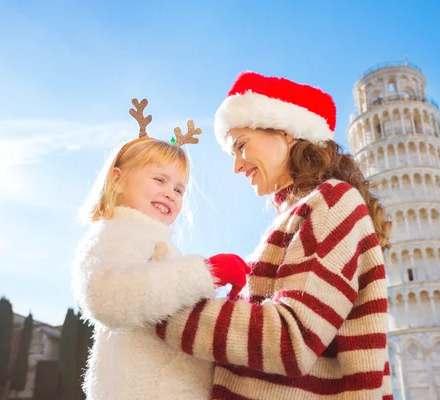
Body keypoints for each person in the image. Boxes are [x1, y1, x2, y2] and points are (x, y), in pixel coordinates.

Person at [155, 72, 394, 399]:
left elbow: (291, 338)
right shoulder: (300, 215)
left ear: (285, 131)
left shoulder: (332, 201)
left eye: (241, 146)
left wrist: (160, 308)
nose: (237, 167)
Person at [71, 98, 249, 400]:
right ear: (117, 179)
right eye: (159, 179)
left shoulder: (163, 250)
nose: (170, 193)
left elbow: (175, 310)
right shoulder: (113, 235)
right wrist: (207, 273)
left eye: (179, 189)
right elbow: (107, 295)